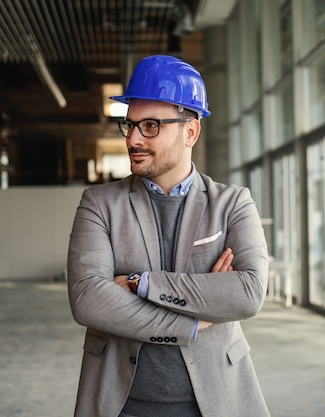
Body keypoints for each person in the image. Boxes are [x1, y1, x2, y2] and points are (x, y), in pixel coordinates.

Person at [67, 54, 270, 417]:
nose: (132, 138)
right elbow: (88, 299)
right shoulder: (99, 203)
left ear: (190, 131)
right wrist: (194, 322)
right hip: (120, 401)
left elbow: (248, 293)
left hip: (215, 399)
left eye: (149, 126)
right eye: (128, 125)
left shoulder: (232, 203)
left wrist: (139, 283)